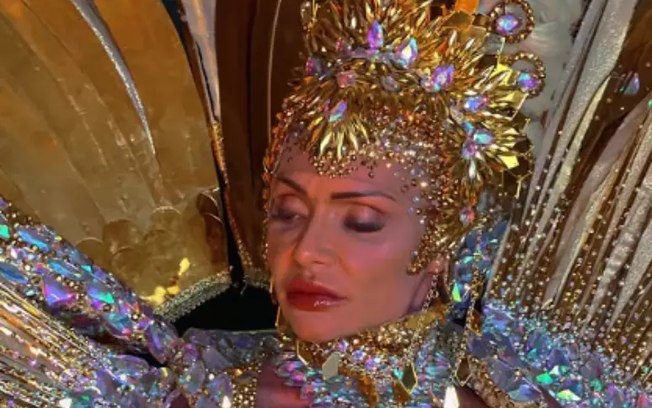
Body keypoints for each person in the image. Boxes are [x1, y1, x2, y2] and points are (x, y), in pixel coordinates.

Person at [0, 0, 650, 407]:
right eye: (287, 212)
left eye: (360, 221)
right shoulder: (181, 391)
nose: (305, 251)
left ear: (443, 237)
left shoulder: (543, 388)